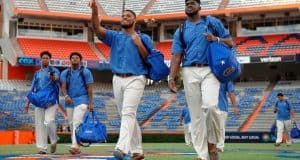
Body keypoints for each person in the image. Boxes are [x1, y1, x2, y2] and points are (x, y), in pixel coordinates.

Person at [168, 0, 234, 159]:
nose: (189, 5)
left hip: (210, 68)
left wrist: (215, 39)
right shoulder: (181, 29)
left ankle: (213, 143)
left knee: (211, 106)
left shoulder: (211, 22)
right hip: (189, 70)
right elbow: (177, 55)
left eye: (192, 3)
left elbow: (230, 42)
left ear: (199, 6)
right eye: (187, 3)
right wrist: (172, 76)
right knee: (196, 116)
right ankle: (203, 155)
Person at [90, 0, 151, 159]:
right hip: (117, 78)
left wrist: (139, 44)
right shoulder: (114, 37)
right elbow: (97, 28)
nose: (124, 17)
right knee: (127, 115)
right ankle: (137, 150)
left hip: (136, 78)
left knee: (128, 112)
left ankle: (122, 148)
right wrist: (95, 10)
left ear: (134, 20)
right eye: (123, 16)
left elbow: (149, 58)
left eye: (128, 16)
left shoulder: (143, 37)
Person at [23, 51, 60, 154]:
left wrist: (53, 77)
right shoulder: (37, 74)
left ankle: (53, 140)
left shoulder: (54, 70)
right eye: (43, 57)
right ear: (41, 60)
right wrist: (27, 103)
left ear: (49, 60)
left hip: (51, 101)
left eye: (47, 58)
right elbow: (32, 89)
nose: (45, 59)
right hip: (39, 101)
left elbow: (57, 79)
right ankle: (42, 148)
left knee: (49, 121)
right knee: (40, 125)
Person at [60, 52, 94, 154]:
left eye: (77, 58)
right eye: (73, 58)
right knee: (71, 124)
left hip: (82, 100)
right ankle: (77, 146)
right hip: (70, 101)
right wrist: (66, 96)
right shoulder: (65, 73)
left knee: (76, 122)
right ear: (70, 60)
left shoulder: (86, 72)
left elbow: (90, 88)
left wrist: (90, 103)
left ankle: (74, 146)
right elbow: (63, 86)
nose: (74, 59)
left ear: (80, 60)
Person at [216, 81, 238, 152]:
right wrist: (234, 106)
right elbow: (231, 93)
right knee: (220, 128)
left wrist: (234, 106)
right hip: (219, 107)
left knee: (219, 128)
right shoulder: (226, 78)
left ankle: (219, 146)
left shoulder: (226, 79)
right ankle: (218, 146)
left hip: (220, 106)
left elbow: (231, 93)